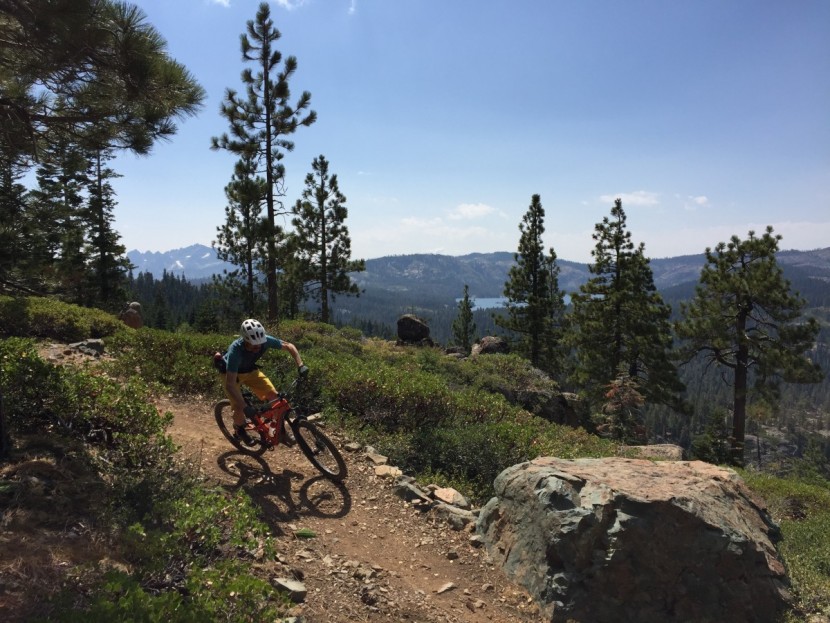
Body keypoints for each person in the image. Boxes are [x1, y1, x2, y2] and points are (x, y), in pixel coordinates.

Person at [219, 318, 308, 446]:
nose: (258, 347)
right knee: (239, 407)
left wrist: (300, 365)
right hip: (231, 374)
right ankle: (239, 429)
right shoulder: (235, 351)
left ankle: (280, 433)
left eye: (260, 343)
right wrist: (245, 407)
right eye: (254, 345)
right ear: (245, 340)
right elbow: (230, 385)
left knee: (276, 399)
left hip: (249, 370)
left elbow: (289, 346)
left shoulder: (265, 340)